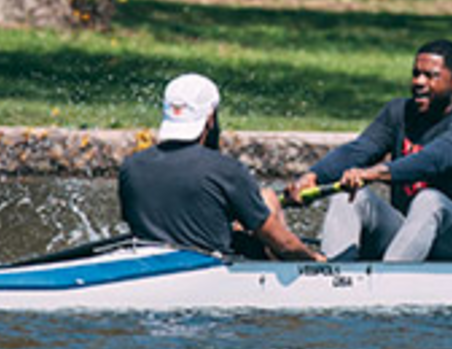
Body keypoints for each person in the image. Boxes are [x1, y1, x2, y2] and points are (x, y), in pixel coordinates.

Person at [284, 40, 452, 262]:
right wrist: (313, 177)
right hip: (408, 236)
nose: (419, 82)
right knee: (349, 196)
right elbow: (358, 151)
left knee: (429, 200)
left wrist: (374, 173)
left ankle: (386, 279)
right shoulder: (398, 113)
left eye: (430, 76)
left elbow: (432, 161)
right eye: (416, 74)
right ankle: (333, 275)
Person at [118, 73, 320, 260]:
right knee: (268, 198)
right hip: (210, 269)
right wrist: (316, 261)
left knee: (258, 206)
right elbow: (284, 244)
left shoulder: (131, 167)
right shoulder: (226, 170)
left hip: (149, 264)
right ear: (210, 118)